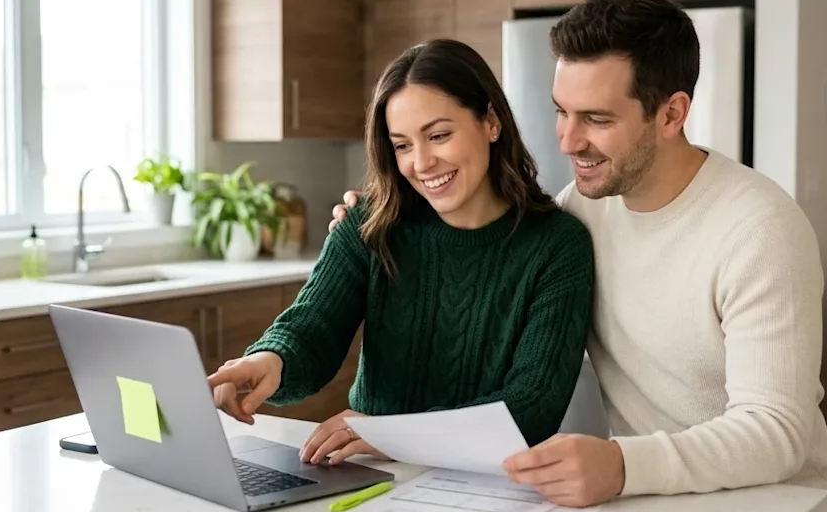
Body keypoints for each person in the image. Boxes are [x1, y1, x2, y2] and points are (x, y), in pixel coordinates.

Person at [326, 0, 827, 512]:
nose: (569, 141)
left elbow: (777, 432)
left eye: (597, 119)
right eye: (561, 112)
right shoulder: (579, 215)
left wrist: (624, 465)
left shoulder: (758, 228)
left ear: (671, 113)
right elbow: (474, 238)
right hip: (645, 509)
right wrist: (378, 215)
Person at [207, 38, 595, 466]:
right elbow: (312, 326)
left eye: (439, 135)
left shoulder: (557, 245)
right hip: (375, 474)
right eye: (402, 145)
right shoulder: (370, 223)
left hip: (492, 485)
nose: (422, 162)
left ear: (491, 121)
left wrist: (394, 434)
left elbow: (530, 408)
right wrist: (271, 359)